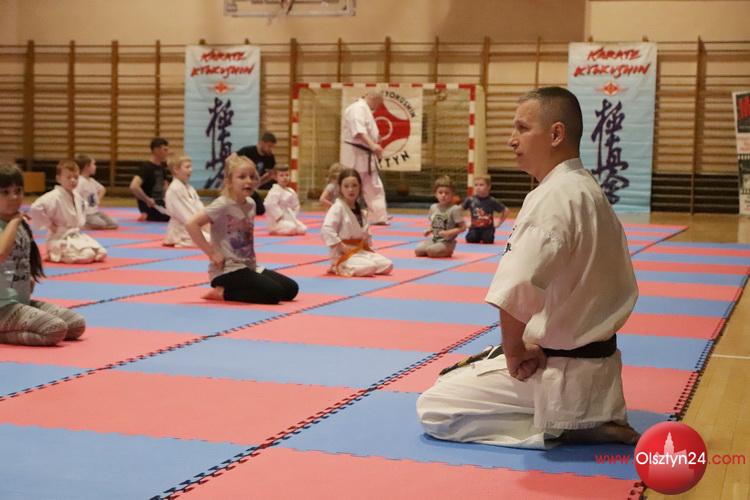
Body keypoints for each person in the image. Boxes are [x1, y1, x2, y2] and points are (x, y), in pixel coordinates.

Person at [417, 86, 640, 449]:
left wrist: (515, 353)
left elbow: (518, 289)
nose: (511, 139)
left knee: (435, 407)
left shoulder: (553, 197)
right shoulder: (587, 190)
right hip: (595, 371)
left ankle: (565, 424)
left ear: (556, 134)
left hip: (558, 374)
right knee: (455, 378)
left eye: (522, 128)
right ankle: (587, 417)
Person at [185, 153, 298, 305]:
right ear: (229, 182)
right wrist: (211, 253)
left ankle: (236, 288)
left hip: (248, 266)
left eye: (252, 177)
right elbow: (191, 224)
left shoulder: (250, 203)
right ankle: (223, 292)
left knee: (291, 289)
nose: (248, 181)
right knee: (274, 293)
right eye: (242, 177)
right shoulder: (223, 204)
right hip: (227, 270)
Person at [0, 163, 86, 346]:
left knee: (75, 325)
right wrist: (14, 223)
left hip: (19, 301)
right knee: (54, 330)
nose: (14, 197)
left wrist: (28, 277)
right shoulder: (13, 223)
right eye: (5, 192)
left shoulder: (20, 224)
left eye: (18, 191)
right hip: (2, 306)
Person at [29, 160, 107, 264]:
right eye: (68, 177)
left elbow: (82, 213)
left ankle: (66, 252)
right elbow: (35, 208)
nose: (73, 180)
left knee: (101, 253)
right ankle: (54, 253)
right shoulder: (54, 196)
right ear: (58, 179)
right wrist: (49, 224)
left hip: (74, 236)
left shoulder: (77, 196)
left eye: (76, 177)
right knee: (87, 255)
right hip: (59, 238)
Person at [321, 168, 393, 277]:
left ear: (360, 187)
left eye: (354, 185)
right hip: (343, 253)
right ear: (340, 188)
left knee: (387, 265)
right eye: (346, 186)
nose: (351, 189)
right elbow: (327, 229)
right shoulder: (337, 207)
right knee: (370, 267)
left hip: (359, 251)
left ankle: (362, 264)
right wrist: (341, 246)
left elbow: (365, 235)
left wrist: (366, 245)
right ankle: (338, 266)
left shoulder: (361, 210)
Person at [340, 91, 390, 225]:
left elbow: (365, 130)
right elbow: (358, 131)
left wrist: (375, 140)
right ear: (372, 97)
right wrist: (373, 145)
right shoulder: (358, 108)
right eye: (378, 103)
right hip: (356, 155)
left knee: (372, 186)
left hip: (363, 154)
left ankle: (378, 216)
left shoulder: (364, 108)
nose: (378, 107)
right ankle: (344, 214)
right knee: (351, 185)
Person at [415, 176, 465, 258]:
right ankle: (436, 248)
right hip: (434, 239)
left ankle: (448, 251)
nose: (443, 195)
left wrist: (449, 232)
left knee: (431, 251)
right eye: (440, 192)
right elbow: (434, 223)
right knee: (418, 251)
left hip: (447, 242)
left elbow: (463, 227)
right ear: (435, 194)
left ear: (453, 194)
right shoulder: (433, 207)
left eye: (447, 193)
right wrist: (429, 229)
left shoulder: (454, 209)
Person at [164, 155, 208, 248]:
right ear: (176, 169)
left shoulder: (189, 188)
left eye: (191, 167)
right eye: (187, 167)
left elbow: (200, 209)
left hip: (194, 226)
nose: (191, 170)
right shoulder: (175, 189)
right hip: (183, 231)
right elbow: (187, 217)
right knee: (215, 241)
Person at [130, 137, 171, 222]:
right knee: (174, 218)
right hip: (151, 205)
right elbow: (134, 186)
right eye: (165, 150)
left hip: (161, 203)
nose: (167, 152)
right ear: (156, 150)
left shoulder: (162, 167)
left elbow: (165, 186)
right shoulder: (146, 167)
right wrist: (147, 199)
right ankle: (146, 214)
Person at [237, 131, 278, 216]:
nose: (270, 149)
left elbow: (268, 176)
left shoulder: (270, 157)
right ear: (262, 143)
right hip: (241, 184)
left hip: (254, 184)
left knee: (260, 210)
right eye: (269, 146)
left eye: (272, 147)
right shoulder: (246, 151)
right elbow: (230, 160)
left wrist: (260, 182)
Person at [74, 154, 118, 230]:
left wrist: (98, 199)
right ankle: (81, 225)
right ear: (86, 167)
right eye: (93, 164)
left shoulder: (91, 181)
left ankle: (93, 224)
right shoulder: (80, 181)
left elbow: (102, 189)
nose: (95, 167)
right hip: (86, 214)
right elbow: (75, 196)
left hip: (95, 212)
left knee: (113, 224)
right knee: (100, 224)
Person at [463, 174, 508, 244]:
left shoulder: (492, 201)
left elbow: (506, 211)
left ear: (489, 186)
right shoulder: (470, 200)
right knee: (471, 239)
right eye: (476, 185)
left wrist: (499, 223)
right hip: (474, 228)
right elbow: (458, 210)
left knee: (488, 240)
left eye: (481, 185)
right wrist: (464, 223)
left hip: (488, 228)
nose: (478, 187)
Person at [264, 165, 307, 236]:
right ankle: (274, 230)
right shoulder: (274, 191)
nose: (285, 178)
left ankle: (290, 226)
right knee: (292, 228)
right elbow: (269, 204)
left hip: (289, 217)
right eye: (281, 175)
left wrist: (293, 215)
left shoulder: (291, 191)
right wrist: (279, 216)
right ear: (276, 177)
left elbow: (296, 205)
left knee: (303, 229)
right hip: (277, 221)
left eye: (287, 175)